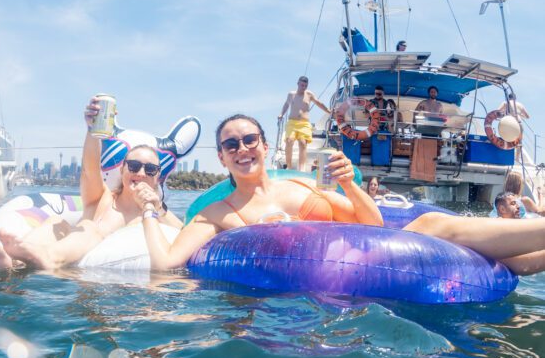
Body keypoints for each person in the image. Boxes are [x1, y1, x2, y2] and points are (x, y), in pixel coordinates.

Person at [134, 114, 545, 276]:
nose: (242, 149)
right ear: (222, 158)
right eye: (231, 145)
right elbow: (166, 264)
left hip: (361, 256)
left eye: (250, 140)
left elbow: (372, 224)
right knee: (432, 225)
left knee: (513, 266)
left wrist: (349, 183)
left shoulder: (302, 185)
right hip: (325, 280)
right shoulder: (216, 213)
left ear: (263, 144)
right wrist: (150, 210)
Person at [0, 97, 183, 272]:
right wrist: (92, 130)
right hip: (74, 270)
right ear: (122, 171)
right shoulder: (103, 199)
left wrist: (156, 206)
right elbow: (90, 169)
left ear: (158, 178)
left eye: (150, 170)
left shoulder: (157, 213)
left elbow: (187, 235)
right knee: (60, 224)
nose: (140, 173)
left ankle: (25, 262)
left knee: (89, 228)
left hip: (107, 285)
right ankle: (12, 262)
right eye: (134, 165)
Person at [278, 76, 330, 171]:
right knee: (289, 141)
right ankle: (289, 166)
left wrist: (328, 111)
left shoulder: (309, 94)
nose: (303, 87)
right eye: (302, 85)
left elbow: (319, 103)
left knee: (302, 143)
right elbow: (286, 104)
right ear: (298, 83)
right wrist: (281, 114)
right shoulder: (291, 94)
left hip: (304, 123)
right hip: (292, 122)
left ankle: (301, 167)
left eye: (305, 85)